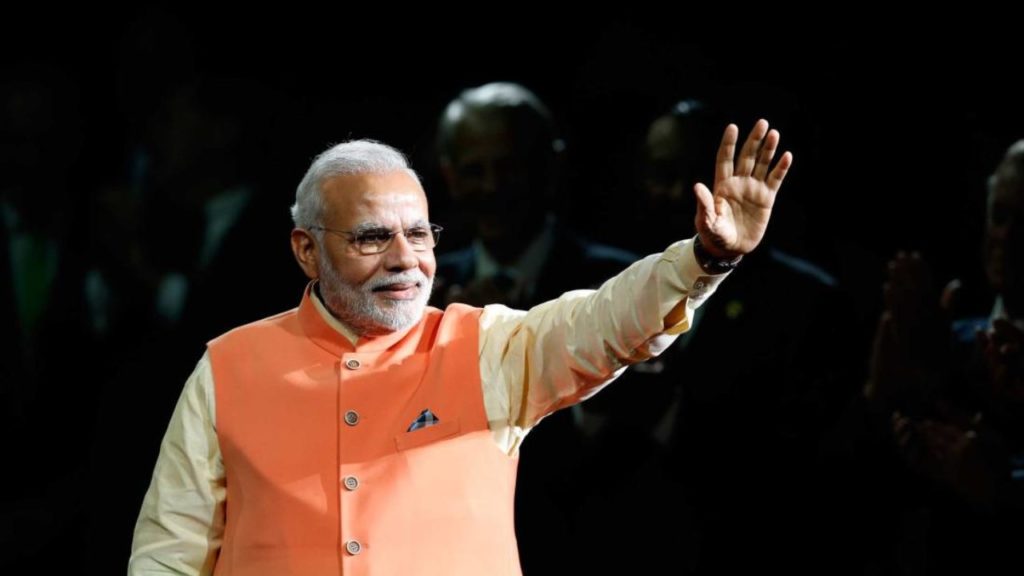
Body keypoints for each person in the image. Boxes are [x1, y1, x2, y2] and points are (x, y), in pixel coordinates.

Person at [128, 119, 792, 575]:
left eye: (419, 235)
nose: (405, 260)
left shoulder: (486, 347)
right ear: (307, 250)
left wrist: (706, 257)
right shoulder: (230, 367)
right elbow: (171, 548)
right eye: (371, 237)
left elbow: (605, 322)